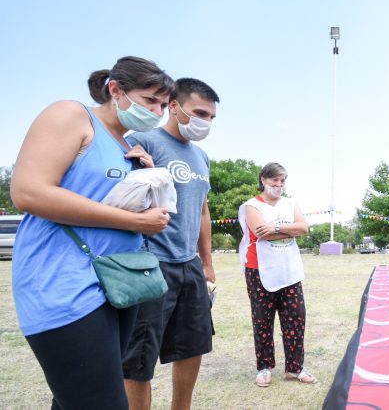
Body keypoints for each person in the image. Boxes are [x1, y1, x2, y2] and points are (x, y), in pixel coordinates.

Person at [10, 56, 172, 409]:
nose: (158, 111)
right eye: (149, 101)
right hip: (65, 284)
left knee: (79, 398)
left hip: (117, 283)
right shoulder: (71, 115)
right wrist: (132, 221)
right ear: (115, 90)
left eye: (162, 104)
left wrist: (147, 178)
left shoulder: (125, 145)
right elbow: (28, 191)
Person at [122, 78, 219, 410]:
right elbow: (121, 197)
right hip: (150, 262)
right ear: (174, 107)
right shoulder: (143, 140)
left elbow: (203, 210)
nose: (205, 122)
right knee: (139, 356)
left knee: (193, 345)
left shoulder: (202, 156)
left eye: (211, 117)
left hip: (188, 263)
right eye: (199, 112)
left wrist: (206, 262)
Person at [238, 163, 316, 386]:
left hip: (289, 270)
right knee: (262, 320)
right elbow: (260, 233)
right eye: (275, 180)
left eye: (283, 180)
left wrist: (276, 228)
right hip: (259, 269)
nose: (279, 185)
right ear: (263, 179)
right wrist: (286, 228)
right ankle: (264, 367)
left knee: (296, 318)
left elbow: (304, 228)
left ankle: (295, 367)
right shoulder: (251, 205)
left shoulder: (291, 203)